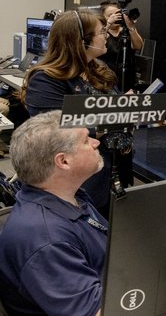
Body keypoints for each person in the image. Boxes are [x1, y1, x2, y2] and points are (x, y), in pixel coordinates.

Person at [0, 110, 107, 316]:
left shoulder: (72, 196)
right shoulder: (46, 240)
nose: (96, 143)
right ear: (63, 161)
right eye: (86, 140)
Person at [19, 10, 122, 215]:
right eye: (102, 31)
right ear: (82, 41)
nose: (106, 36)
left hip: (108, 169)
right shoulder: (45, 79)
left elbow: (112, 108)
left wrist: (125, 107)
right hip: (72, 179)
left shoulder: (97, 69)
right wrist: (114, 118)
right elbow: (57, 132)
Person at [100, 0, 144, 92]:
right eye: (110, 15)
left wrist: (131, 27)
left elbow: (138, 46)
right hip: (106, 78)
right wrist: (108, 24)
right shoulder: (102, 32)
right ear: (103, 17)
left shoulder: (126, 31)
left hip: (128, 77)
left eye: (117, 14)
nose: (115, 17)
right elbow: (97, 44)